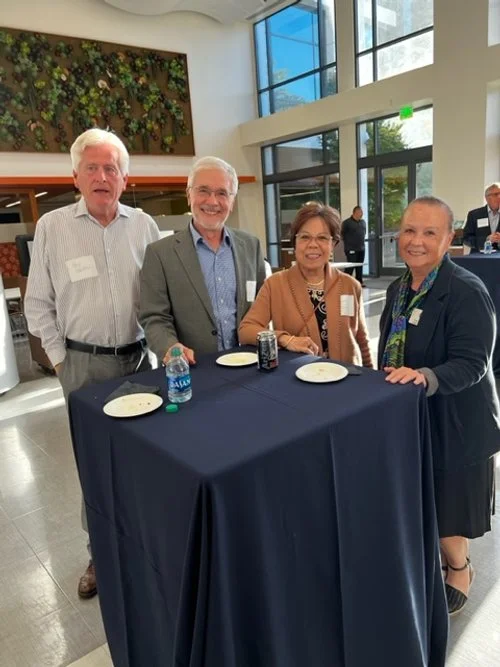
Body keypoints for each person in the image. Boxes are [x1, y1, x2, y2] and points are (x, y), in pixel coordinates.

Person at [24, 128, 160, 599]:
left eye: (112, 168)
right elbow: (37, 302)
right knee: (95, 466)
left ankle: (145, 543)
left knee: (145, 459)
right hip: (84, 367)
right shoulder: (53, 227)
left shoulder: (144, 226)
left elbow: (160, 296)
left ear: (125, 178)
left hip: (141, 363)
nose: (103, 176)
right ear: (76, 175)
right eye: (93, 168)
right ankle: (99, 553)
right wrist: (64, 365)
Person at [378, 195, 500, 616]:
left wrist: (426, 376)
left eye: (430, 232)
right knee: (422, 496)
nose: (416, 241)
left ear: (449, 239)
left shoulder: (466, 290)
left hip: (456, 419)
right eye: (410, 230)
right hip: (410, 414)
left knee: (449, 506)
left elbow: (473, 363)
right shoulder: (398, 288)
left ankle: (459, 568)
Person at [139, 156, 266, 365]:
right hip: (194, 370)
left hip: (248, 365)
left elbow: (262, 306)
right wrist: (170, 347)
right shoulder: (160, 253)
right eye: (203, 191)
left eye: (222, 193)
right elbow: (154, 318)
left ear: (232, 201)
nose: (212, 201)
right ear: (189, 195)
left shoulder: (251, 246)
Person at [239, 202, 373, 367]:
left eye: (322, 238)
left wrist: (371, 379)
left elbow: (362, 341)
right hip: (298, 381)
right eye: (305, 237)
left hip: (346, 381)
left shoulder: (350, 285)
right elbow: (246, 330)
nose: (313, 244)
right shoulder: (275, 284)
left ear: (334, 244)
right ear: (294, 243)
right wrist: (285, 339)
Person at [462, 182, 500, 252]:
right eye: (496, 194)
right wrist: (486, 240)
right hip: (479, 258)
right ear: (487, 198)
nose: (499, 197)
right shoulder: (474, 215)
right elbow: (466, 239)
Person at [341, 205, 366, 285]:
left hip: (361, 248)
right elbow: (342, 234)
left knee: (359, 266)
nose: (361, 214)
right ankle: (345, 282)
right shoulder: (347, 223)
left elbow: (363, 233)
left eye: (362, 212)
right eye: (360, 212)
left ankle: (359, 282)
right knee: (350, 266)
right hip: (351, 249)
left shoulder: (363, 222)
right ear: (355, 212)